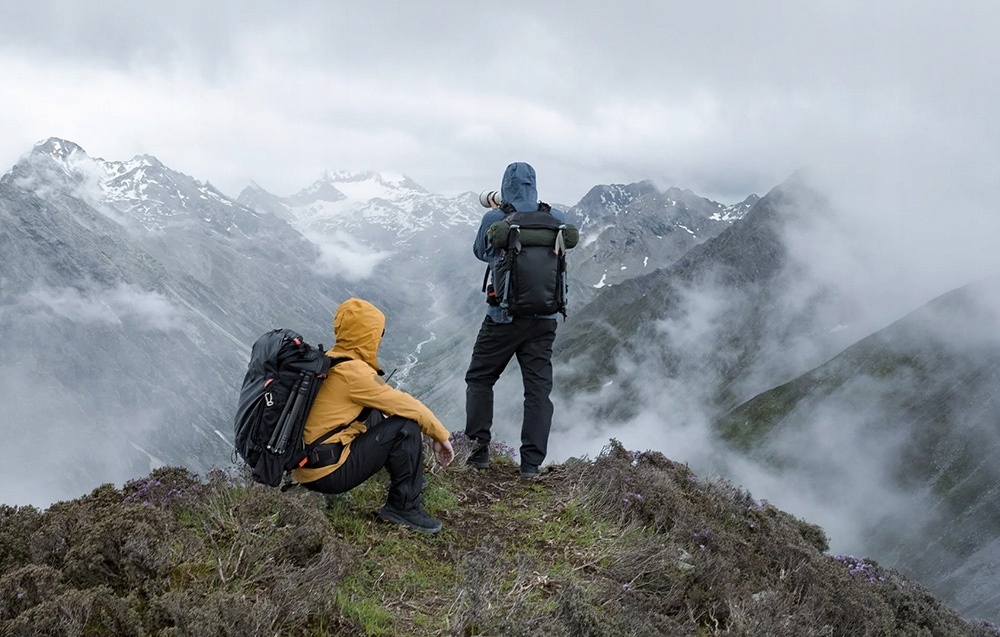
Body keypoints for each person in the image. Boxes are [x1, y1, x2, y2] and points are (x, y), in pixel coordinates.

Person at [293, 297, 454, 533]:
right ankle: (403, 507)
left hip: (309, 465)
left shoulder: (330, 359)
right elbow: (408, 406)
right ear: (369, 335)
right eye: (379, 332)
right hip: (328, 474)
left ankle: (411, 479)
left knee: (375, 411)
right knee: (405, 426)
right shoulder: (354, 372)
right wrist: (441, 436)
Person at [465, 162, 565, 479]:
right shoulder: (556, 219)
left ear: (505, 186)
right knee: (537, 391)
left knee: (480, 378)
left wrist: (498, 211)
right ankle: (531, 465)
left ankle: (477, 452)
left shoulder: (495, 218)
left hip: (502, 317)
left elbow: (481, 252)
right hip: (545, 318)